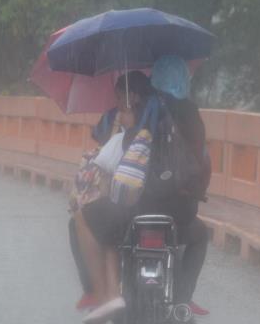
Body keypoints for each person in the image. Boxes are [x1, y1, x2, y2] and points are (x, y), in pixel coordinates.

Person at [68, 72, 155, 321]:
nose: (118, 104)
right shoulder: (163, 117)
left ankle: (100, 293)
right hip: (162, 206)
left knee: (83, 218)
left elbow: (114, 168)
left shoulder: (134, 131)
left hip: (131, 206)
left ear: (133, 98)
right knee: (107, 228)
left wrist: (125, 126)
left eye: (121, 98)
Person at [141, 55, 210, 315]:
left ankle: (109, 293)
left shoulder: (142, 108)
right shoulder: (191, 114)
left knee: (123, 236)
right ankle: (183, 299)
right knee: (200, 235)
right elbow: (202, 164)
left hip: (141, 206)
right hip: (180, 211)